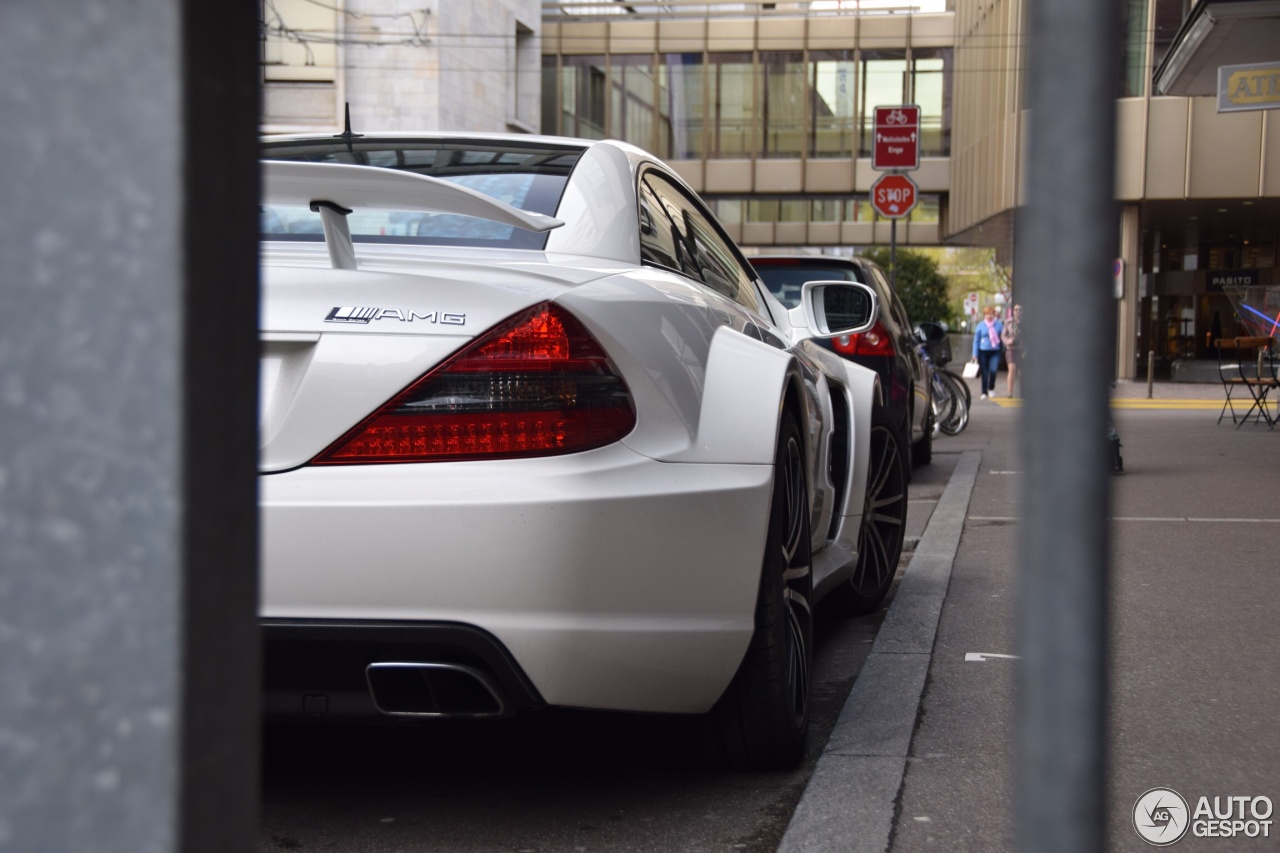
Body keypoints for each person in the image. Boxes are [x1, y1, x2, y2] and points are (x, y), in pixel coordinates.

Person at [970, 305, 1004, 399]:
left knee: (993, 370)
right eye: (987, 314)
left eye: (991, 314)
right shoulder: (980, 325)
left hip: (995, 351)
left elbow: (1004, 336)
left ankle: (991, 387)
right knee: (984, 372)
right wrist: (974, 354)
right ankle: (984, 392)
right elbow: (976, 340)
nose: (989, 316)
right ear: (984, 315)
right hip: (983, 351)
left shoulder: (999, 325)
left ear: (994, 315)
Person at [1001, 303, 1022, 397]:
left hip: (1022, 349)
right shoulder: (1008, 322)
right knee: (1012, 369)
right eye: (1016, 310)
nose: (1018, 312)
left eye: (1020, 310)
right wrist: (1007, 341)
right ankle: (1010, 392)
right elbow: (1003, 335)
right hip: (1011, 349)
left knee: (1022, 372)